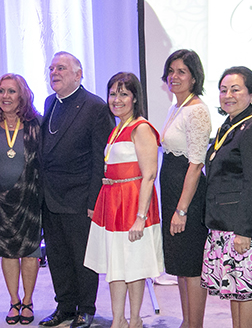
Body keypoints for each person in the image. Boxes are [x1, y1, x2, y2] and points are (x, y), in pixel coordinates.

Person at [39, 51, 114, 328]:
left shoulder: (95, 107)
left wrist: (94, 201)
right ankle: (65, 306)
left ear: (78, 74)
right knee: (57, 256)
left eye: (61, 68)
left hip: (80, 196)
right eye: (51, 69)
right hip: (50, 196)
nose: (54, 73)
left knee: (83, 257)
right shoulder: (50, 102)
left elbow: (100, 159)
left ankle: (86, 308)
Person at [84, 72, 164, 328]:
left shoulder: (141, 128)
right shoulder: (117, 128)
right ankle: (118, 319)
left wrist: (140, 217)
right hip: (112, 204)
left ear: (135, 97)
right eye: (112, 93)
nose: (116, 99)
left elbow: (149, 175)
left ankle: (135, 319)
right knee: (115, 265)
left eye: (123, 94)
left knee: (134, 266)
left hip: (132, 205)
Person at [202, 66, 252, 328]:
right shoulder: (230, 126)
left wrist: (245, 231)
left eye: (235, 89)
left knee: (244, 292)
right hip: (225, 225)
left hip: (243, 228)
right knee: (235, 291)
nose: (228, 95)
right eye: (223, 90)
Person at [0, 73, 43, 325]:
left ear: (23, 95)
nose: (5, 97)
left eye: (11, 91)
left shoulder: (35, 124)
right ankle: (13, 300)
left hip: (28, 199)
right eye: (1, 91)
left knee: (29, 252)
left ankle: (28, 301)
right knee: (7, 252)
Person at [158, 49, 211, 328]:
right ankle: (186, 322)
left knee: (192, 266)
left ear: (194, 77)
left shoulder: (197, 110)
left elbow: (195, 164)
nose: (174, 77)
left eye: (182, 72)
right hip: (171, 190)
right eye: (171, 71)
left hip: (188, 195)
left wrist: (182, 209)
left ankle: (196, 324)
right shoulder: (176, 106)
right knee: (179, 264)